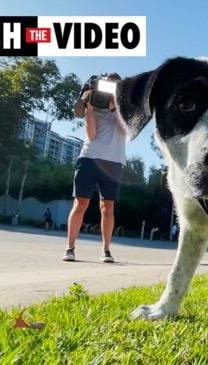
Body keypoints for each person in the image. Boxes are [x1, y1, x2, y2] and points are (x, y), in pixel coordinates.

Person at [62, 73, 126, 263]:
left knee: (107, 207)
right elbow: (91, 135)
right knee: (80, 204)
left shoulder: (124, 109)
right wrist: (89, 109)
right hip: (89, 159)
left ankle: (106, 250)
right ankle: (70, 248)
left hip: (113, 162)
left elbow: (126, 130)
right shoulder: (95, 107)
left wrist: (114, 109)